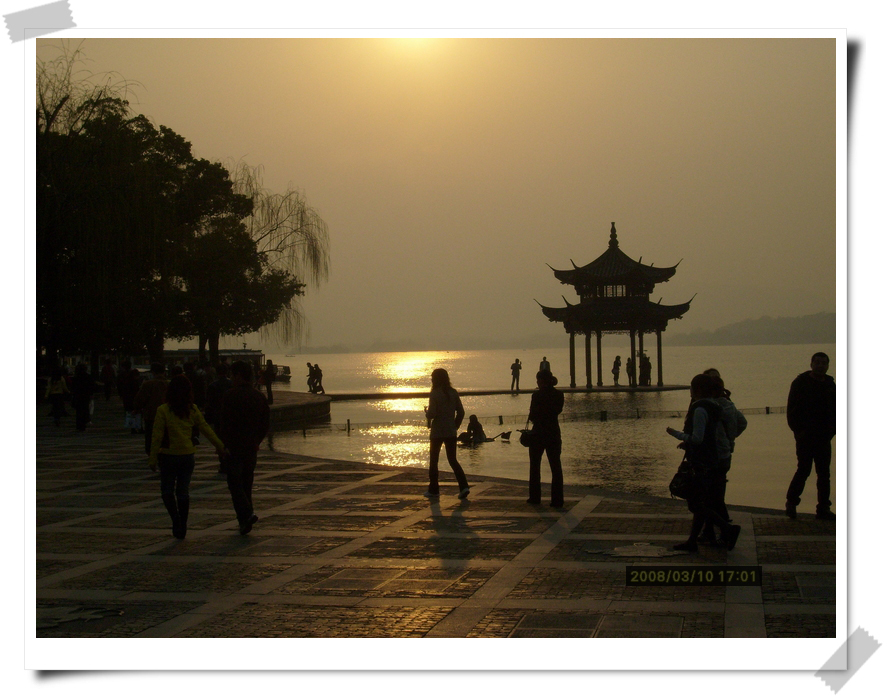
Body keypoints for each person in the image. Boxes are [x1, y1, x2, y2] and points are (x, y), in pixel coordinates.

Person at [666, 374, 741, 552]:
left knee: (696, 504)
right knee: (702, 501)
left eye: (691, 388)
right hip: (711, 459)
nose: (690, 392)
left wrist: (676, 434)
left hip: (701, 462)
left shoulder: (700, 409)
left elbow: (697, 438)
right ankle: (693, 541)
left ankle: (727, 528)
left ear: (697, 390)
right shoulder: (715, 405)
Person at [149, 375, 226, 539]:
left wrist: (153, 458)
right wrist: (220, 447)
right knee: (183, 492)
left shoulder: (163, 410)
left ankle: (175, 520)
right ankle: (182, 523)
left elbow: (157, 436)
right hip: (187, 456)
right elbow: (206, 430)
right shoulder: (193, 410)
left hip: (168, 456)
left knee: (167, 491)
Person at [785, 352, 837, 520]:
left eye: (824, 363)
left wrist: (833, 430)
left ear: (828, 365)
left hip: (824, 436)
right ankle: (792, 501)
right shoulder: (800, 383)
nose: (820, 366)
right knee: (804, 469)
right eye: (817, 362)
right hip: (805, 436)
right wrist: (798, 431)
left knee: (824, 474)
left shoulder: (830, 384)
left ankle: (823, 508)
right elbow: (791, 410)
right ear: (811, 364)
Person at [220, 361, 271, 535]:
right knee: (246, 483)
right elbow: (265, 423)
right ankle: (245, 519)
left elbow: (224, 423)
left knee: (234, 483)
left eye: (232, 375)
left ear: (238, 375)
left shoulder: (229, 396)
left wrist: (223, 444)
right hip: (251, 446)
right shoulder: (258, 396)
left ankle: (246, 515)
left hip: (234, 446)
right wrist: (257, 440)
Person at [698, 374, 747, 545]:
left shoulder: (708, 407)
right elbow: (742, 422)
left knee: (708, 497)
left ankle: (723, 529)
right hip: (725, 454)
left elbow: (700, 435)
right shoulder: (729, 405)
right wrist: (730, 438)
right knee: (716, 494)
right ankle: (711, 530)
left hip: (711, 456)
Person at [424, 368, 470, 499]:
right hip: (450, 431)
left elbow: (432, 414)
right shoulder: (453, 392)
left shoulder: (434, 393)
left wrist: (427, 413)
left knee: (434, 460)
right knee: (453, 460)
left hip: (437, 431)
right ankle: (464, 486)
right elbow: (461, 412)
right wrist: (455, 425)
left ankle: (434, 489)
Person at [526, 369, 565, 507]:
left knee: (535, 466)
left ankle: (535, 497)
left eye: (538, 380)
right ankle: (557, 499)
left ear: (541, 380)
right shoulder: (559, 394)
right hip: (553, 432)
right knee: (556, 466)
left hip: (538, 433)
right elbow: (558, 411)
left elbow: (532, 415)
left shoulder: (537, 395)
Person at [132, 363, 169, 456]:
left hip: (151, 415)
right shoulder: (169, 384)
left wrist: (137, 409)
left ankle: (152, 453)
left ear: (153, 372)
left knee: (150, 436)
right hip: (168, 415)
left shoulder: (148, 384)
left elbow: (140, 399)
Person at [204, 364, 233, 474]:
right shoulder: (232, 384)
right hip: (230, 416)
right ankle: (230, 462)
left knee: (220, 441)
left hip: (218, 416)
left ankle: (223, 463)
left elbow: (209, 403)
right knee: (230, 440)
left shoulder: (213, 386)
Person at [70, 363, 95, 432]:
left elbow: (73, 387)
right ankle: (83, 424)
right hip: (85, 395)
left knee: (78, 411)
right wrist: (91, 394)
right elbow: (91, 386)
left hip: (78, 395)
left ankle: (79, 424)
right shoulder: (88, 377)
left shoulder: (76, 377)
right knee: (85, 409)